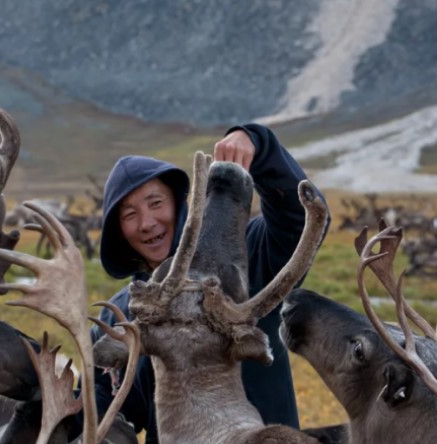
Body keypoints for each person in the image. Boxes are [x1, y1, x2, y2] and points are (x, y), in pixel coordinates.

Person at [89, 123, 331, 443]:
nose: (147, 223)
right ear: (118, 230)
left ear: (179, 204)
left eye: (156, 203)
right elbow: (104, 410)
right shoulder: (117, 315)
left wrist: (257, 143)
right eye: (129, 214)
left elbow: (296, 221)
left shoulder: (244, 261)